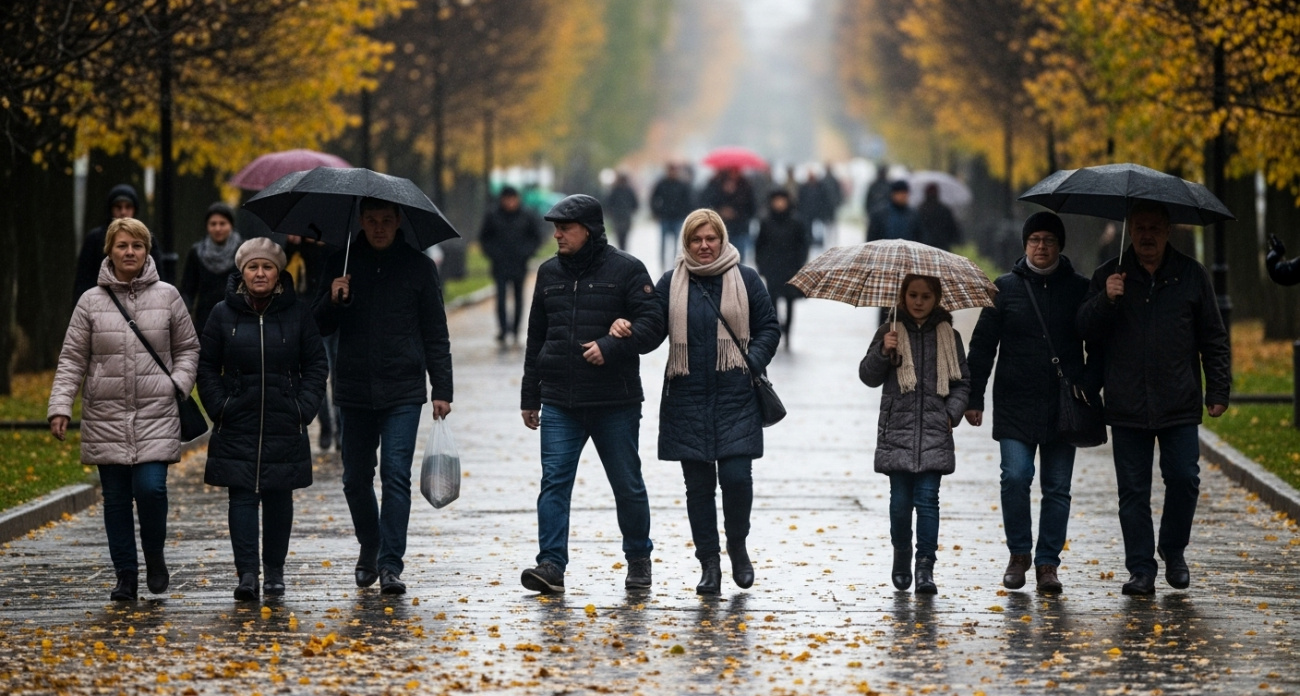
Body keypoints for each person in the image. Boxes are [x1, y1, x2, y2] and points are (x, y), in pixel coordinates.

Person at [1076, 200, 1231, 596]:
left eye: (1154, 228)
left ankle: (1173, 550)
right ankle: (1141, 569)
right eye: (1139, 227)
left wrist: (1218, 389)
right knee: (1133, 491)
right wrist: (1105, 299)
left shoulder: (1191, 275)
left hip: (1178, 400)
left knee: (1184, 479)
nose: (1146, 235)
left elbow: (1213, 337)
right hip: (1127, 402)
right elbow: (1085, 331)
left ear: (1168, 231)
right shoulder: (1108, 275)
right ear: (1129, 228)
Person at [518, 194, 665, 595]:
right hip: (560, 401)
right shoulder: (548, 274)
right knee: (554, 483)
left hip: (613, 402)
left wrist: (614, 344)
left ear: (589, 229)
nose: (557, 234)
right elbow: (536, 337)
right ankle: (550, 565)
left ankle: (638, 559)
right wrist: (530, 395)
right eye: (555, 227)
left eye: (565, 227)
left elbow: (654, 325)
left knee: (626, 483)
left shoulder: (628, 270)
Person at [48, 218, 200, 601]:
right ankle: (126, 577)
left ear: (147, 251)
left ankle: (154, 554)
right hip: (106, 415)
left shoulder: (168, 295)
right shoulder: (90, 302)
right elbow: (71, 359)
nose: (129, 252)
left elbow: (188, 348)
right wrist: (60, 406)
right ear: (109, 252)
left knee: (151, 489)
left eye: (137, 245)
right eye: (121, 246)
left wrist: (177, 384)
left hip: (155, 411)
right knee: (115, 499)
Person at [314, 197, 453, 595]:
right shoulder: (342, 263)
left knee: (395, 477)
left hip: (403, 389)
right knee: (355, 479)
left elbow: (435, 331)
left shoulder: (418, 267)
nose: (378, 228)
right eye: (372, 220)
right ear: (361, 221)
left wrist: (441, 388)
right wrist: (332, 299)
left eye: (386, 221)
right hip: (354, 388)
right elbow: (317, 325)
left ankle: (390, 563)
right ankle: (370, 543)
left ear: (398, 223)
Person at [642, 208, 780, 594]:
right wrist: (627, 325)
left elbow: (769, 327)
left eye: (710, 238)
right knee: (698, 489)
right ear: (686, 243)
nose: (704, 246)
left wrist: (750, 361)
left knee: (737, 479)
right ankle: (709, 564)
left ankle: (737, 545)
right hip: (687, 397)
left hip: (736, 396)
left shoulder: (747, 279)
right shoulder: (671, 283)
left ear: (722, 239)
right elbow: (652, 332)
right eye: (696, 240)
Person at [964, 212, 1092, 594]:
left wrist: (1089, 385)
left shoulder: (1079, 289)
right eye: (1035, 239)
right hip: (1015, 403)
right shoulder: (1002, 289)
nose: (1041, 246)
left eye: (1049, 240)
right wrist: (973, 397)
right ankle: (1019, 554)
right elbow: (982, 347)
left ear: (1059, 246)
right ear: (1024, 244)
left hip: (1063, 407)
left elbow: (1098, 340)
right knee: (1016, 478)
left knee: (1057, 487)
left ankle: (1047, 563)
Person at [197, 239, 328, 600]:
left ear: (278, 272)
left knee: (277, 497)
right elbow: (206, 365)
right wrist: (220, 406)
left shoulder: (297, 313)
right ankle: (247, 574)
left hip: (283, 420)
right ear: (242, 271)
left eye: (267, 267)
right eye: (253, 267)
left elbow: (317, 363)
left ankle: (273, 571)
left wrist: (302, 408)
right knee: (240, 497)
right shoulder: (222, 314)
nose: (260, 273)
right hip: (237, 419)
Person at [859, 274, 970, 594]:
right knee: (899, 503)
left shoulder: (949, 335)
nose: (918, 302)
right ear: (902, 296)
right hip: (898, 431)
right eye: (913, 295)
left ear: (936, 298)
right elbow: (868, 376)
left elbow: (962, 382)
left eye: (925, 296)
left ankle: (925, 566)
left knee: (928, 500)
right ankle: (901, 553)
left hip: (935, 430)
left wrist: (951, 413)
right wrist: (883, 350)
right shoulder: (890, 330)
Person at [73, 184, 162, 299]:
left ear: (135, 209)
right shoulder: (95, 239)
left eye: (128, 207)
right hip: (101, 304)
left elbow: (157, 275)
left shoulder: (146, 237)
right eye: (118, 207)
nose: (123, 212)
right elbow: (83, 280)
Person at [479, 186, 544, 344]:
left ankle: (515, 328)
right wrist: (493, 254)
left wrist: (526, 253)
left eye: (512, 199)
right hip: (500, 264)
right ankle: (503, 328)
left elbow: (536, 237)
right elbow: (484, 238)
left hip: (519, 264)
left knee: (518, 297)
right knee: (500, 297)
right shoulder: (493, 215)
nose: (510, 202)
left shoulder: (526, 215)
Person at [754, 190, 813, 343]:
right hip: (772, 267)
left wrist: (801, 264)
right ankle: (776, 329)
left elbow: (803, 244)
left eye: (782, 200)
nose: (779, 204)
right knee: (772, 300)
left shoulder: (796, 222)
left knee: (790, 299)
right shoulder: (766, 222)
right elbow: (759, 245)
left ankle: (788, 331)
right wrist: (761, 264)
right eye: (776, 200)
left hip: (790, 267)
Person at [181, 202, 243, 334]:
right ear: (207, 226)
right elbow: (188, 290)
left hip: (237, 318)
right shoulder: (197, 252)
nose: (218, 228)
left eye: (222, 223)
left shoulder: (243, 252)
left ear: (231, 225)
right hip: (205, 319)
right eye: (213, 224)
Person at [868, 180, 919, 325]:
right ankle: (884, 334)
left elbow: (920, 239)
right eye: (901, 194)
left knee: (905, 303)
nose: (903, 197)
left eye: (906, 194)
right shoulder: (880, 214)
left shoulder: (913, 215)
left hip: (907, 267)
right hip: (885, 266)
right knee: (886, 304)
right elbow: (871, 240)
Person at [703, 168, 758, 264]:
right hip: (720, 229)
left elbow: (751, 208)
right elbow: (706, 203)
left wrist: (736, 212)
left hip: (740, 228)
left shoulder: (746, 186)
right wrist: (720, 211)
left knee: (739, 260)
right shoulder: (715, 184)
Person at [651, 164, 696, 269]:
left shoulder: (682, 185)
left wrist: (686, 214)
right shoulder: (662, 184)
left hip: (677, 217)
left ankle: (675, 263)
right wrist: (656, 212)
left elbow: (688, 201)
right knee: (663, 243)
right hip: (665, 217)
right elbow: (653, 199)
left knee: (677, 243)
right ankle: (662, 264)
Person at [914, 183, 961, 251]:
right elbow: (953, 230)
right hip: (942, 247)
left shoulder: (920, 210)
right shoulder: (945, 210)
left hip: (924, 247)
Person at [605, 173, 639, 251]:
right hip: (621, 217)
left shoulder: (617, 190)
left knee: (621, 237)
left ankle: (622, 251)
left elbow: (608, 204)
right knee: (622, 237)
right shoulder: (622, 190)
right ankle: (623, 251)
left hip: (621, 217)